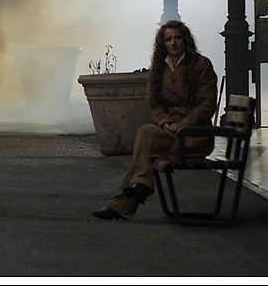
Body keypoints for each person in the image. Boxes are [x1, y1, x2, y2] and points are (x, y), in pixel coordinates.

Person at [92, 20, 218, 221]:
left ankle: (125, 200)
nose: (173, 43)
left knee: (144, 152)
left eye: (177, 38)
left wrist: (182, 125)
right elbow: (155, 104)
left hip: (194, 135)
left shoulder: (201, 65)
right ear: (163, 44)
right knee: (146, 132)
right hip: (170, 133)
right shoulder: (160, 68)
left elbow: (207, 104)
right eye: (168, 39)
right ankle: (136, 190)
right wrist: (165, 122)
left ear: (185, 40)